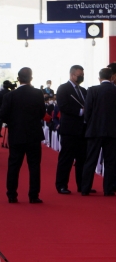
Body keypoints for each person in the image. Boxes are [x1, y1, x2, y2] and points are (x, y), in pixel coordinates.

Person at [0, 67, 46, 203]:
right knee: (34, 166)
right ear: (31, 78)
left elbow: (2, 114)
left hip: (16, 134)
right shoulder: (38, 94)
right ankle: (34, 195)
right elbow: (42, 113)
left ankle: (12, 195)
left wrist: (13, 122)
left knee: (14, 165)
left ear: (18, 79)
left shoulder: (9, 96)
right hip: (34, 134)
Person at [81, 67, 116, 196]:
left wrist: (90, 123)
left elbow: (87, 111)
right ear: (112, 77)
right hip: (112, 132)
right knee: (110, 162)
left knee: (90, 159)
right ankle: (108, 189)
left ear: (99, 78)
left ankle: (85, 188)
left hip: (94, 130)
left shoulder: (93, 90)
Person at [56, 66, 88, 194]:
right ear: (72, 74)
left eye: (82, 74)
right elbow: (63, 106)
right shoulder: (63, 89)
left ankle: (82, 185)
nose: (81, 77)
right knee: (66, 158)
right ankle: (62, 185)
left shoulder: (83, 90)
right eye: (79, 74)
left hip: (83, 129)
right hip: (69, 129)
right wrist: (81, 111)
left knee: (82, 159)